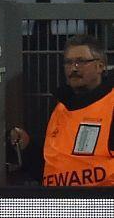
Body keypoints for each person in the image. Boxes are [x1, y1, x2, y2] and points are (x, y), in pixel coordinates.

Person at [11, 34, 113, 186]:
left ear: (100, 66)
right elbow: (51, 167)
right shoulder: (60, 108)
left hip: (101, 200)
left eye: (81, 61)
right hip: (58, 199)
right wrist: (27, 146)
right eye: (68, 62)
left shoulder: (110, 104)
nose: (73, 68)